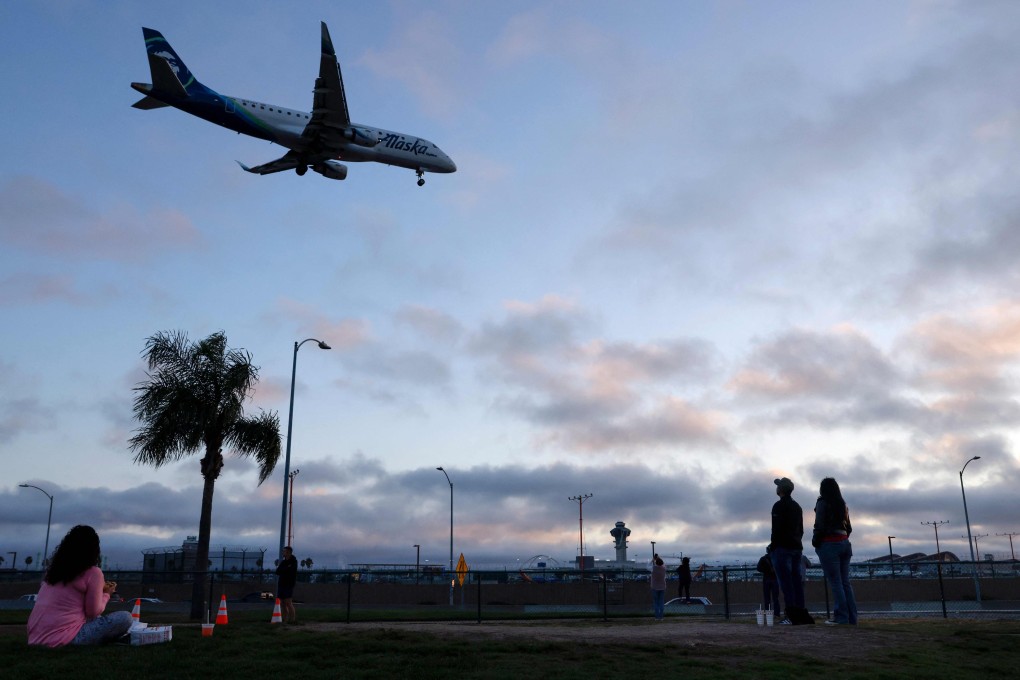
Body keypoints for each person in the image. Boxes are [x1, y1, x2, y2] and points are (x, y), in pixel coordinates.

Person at [27, 525, 134, 647]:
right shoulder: (94, 572)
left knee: (96, 618)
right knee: (125, 618)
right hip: (66, 638)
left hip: (35, 639)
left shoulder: (54, 572)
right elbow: (92, 612)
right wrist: (106, 594)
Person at [812, 477, 858, 625]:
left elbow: (819, 525)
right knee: (845, 582)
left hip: (829, 544)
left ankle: (841, 617)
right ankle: (852, 618)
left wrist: (816, 542)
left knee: (836, 582)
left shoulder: (822, 503)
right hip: (844, 543)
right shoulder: (842, 505)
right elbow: (849, 528)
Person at [770, 477, 810, 624]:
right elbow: (801, 529)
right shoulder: (797, 507)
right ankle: (801, 615)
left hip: (782, 548)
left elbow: (776, 529)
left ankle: (791, 616)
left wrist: (773, 546)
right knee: (797, 583)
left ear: (780, 490)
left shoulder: (778, 506)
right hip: (796, 548)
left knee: (786, 584)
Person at [276, 546, 299, 623]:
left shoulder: (294, 562)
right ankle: (284, 619)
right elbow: (277, 571)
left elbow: (291, 571)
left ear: (288, 552)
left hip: (289, 584)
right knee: (282, 603)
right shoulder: (283, 562)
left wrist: (285, 569)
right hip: (281, 584)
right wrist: (286, 568)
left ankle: (292, 620)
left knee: (288, 602)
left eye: (284, 551)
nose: (283, 553)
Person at [756, 546, 780, 614]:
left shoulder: (763, 559)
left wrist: (766, 571)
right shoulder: (776, 558)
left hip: (766, 579)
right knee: (776, 598)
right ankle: (777, 614)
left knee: (767, 598)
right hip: (775, 579)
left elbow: (758, 568)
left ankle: (768, 613)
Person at [650, 554, 667, 620]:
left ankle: (657, 617)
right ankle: (661, 617)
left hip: (654, 587)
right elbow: (663, 564)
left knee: (656, 602)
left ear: (656, 563)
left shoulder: (653, 568)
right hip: (662, 587)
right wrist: (659, 558)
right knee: (661, 602)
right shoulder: (664, 568)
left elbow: (647, 566)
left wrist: (653, 560)